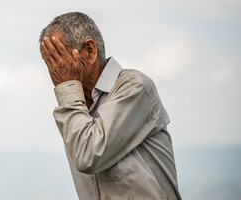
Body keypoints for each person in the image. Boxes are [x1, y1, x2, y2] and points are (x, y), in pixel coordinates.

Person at [39, 12, 181, 200]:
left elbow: (88, 155)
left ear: (90, 50)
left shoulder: (134, 87)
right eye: (50, 60)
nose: (56, 69)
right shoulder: (77, 107)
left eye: (59, 57)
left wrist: (69, 91)